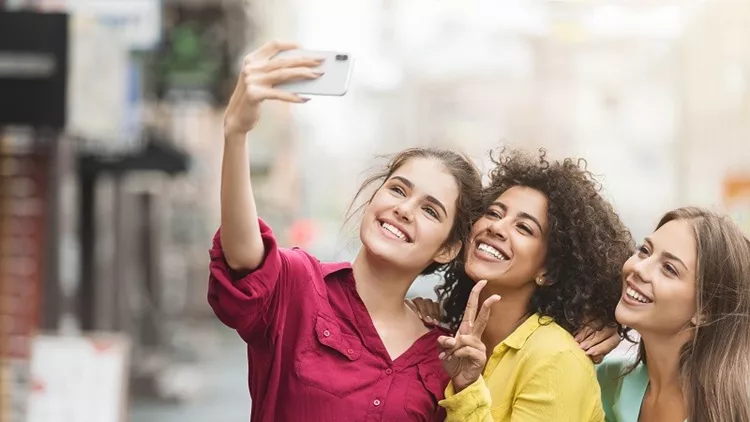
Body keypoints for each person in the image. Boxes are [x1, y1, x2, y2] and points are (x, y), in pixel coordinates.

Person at [208, 40, 485, 422]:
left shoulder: (443, 356)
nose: (404, 209)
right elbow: (242, 257)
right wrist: (236, 133)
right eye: (398, 189)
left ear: (448, 248)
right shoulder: (298, 285)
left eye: (430, 210)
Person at [412, 149, 634, 421]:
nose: (497, 227)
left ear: (548, 272)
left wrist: (467, 387)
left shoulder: (556, 358)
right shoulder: (454, 336)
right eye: (493, 213)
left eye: (524, 228)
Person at [597, 207, 750, 422]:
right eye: (644, 250)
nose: (640, 268)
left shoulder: (738, 411)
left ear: (705, 310)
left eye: (669, 268)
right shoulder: (603, 380)